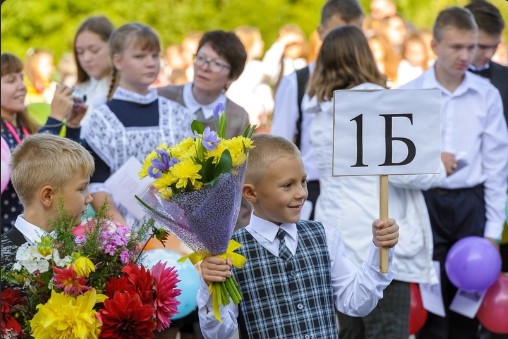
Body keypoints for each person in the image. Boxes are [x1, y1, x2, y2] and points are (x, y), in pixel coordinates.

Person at [305, 25, 445, 339]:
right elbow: (407, 169)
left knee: (347, 332)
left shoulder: (320, 111)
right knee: (387, 330)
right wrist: (442, 165)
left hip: (336, 236)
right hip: (379, 234)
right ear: (365, 57)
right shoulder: (382, 104)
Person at [197, 133, 400, 338]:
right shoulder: (230, 253)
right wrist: (210, 286)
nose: (301, 193)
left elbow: (356, 302)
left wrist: (380, 250)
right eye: (288, 185)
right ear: (250, 193)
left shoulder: (325, 237)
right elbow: (219, 334)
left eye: (303, 182)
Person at [402, 7, 508, 339]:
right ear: (434, 45)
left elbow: (496, 167)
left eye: (471, 46)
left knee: (466, 311)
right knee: (431, 311)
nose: (466, 55)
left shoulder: (486, 95)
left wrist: (492, 231)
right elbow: (395, 163)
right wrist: (431, 159)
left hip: (470, 205)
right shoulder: (410, 93)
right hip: (425, 204)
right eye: (456, 47)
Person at [82, 23, 193, 227]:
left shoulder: (177, 114)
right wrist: (126, 237)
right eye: (140, 56)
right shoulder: (100, 121)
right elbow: (97, 184)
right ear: (118, 60)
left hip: (179, 232)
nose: (150, 63)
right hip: (124, 233)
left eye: (155, 55)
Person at [271, 0, 364, 221]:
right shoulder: (298, 81)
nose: (347, 45)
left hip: (358, 188)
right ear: (321, 33)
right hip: (311, 186)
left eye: (355, 36)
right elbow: (280, 143)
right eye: (338, 35)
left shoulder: (368, 85)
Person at [158, 30, 251, 230]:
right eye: (201, 58)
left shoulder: (237, 116)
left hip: (208, 223)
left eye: (216, 63)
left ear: (232, 75)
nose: (204, 67)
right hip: (159, 210)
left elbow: (237, 183)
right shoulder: (163, 98)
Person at [1, 52, 85, 234]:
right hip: (11, 242)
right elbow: (30, 171)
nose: (21, 87)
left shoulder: (25, 127)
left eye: (21, 78)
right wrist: (55, 118)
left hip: (42, 239)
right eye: (10, 80)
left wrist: (72, 127)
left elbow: (64, 171)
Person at [0, 133, 94, 271]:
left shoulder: (82, 249)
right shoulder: (3, 257)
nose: (89, 198)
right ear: (48, 196)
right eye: (81, 189)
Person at [72, 15, 115, 135]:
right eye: (80, 52)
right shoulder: (77, 92)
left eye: (94, 50)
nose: (86, 58)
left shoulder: (126, 91)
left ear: (113, 47)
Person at [227, 26, 274, 131]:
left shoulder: (252, 67)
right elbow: (272, 68)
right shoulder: (254, 68)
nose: (262, 43)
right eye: (259, 40)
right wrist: (282, 43)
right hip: (247, 125)